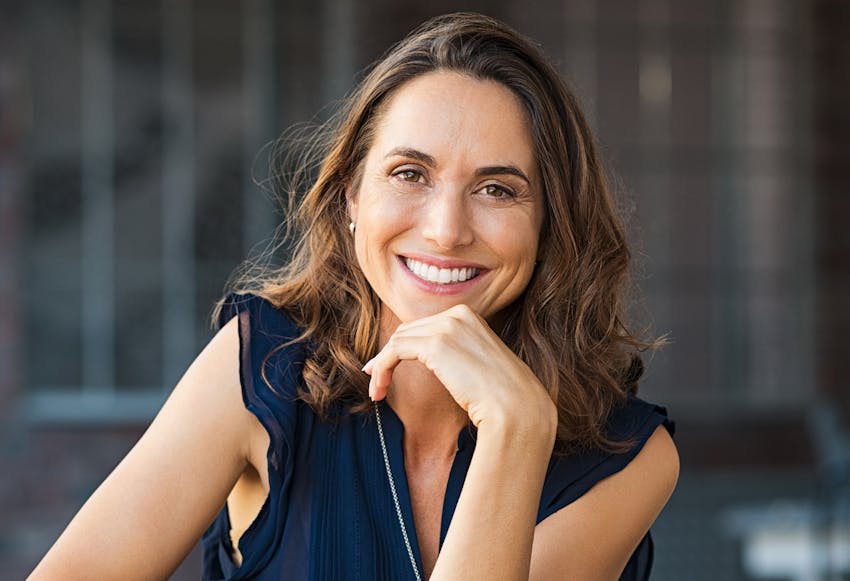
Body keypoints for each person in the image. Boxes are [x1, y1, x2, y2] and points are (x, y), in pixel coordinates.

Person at [30, 12, 678, 581]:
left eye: (497, 189)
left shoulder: (629, 454)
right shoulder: (262, 368)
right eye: (409, 174)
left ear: (550, 224)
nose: (446, 229)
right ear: (350, 201)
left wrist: (517, 430)